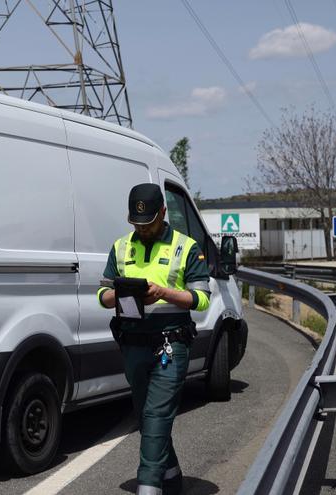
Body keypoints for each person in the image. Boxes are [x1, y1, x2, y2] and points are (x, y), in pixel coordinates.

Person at [98, 183, 211, 495]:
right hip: (132, 343)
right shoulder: (120, 247)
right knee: (145, 414)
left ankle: (148, 486)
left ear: (163, 213)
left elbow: (202, 299)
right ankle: (171, 476)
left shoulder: (186, 247)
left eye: (148, 224)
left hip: (170, 345)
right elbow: (101, 295)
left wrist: (163, 293)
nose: (142, 230)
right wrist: (119, 293)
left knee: (157, 413)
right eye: (137, 224)